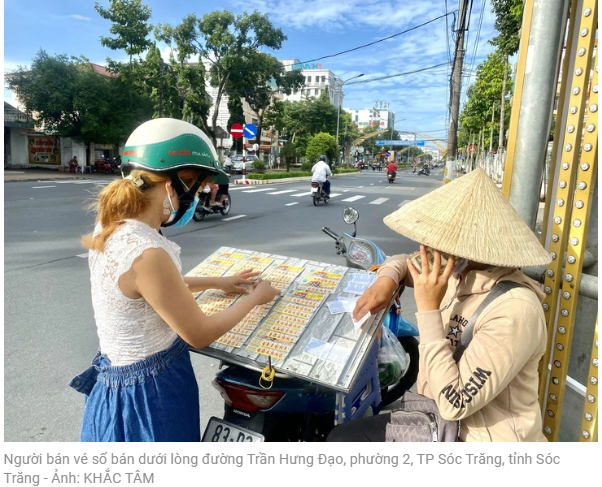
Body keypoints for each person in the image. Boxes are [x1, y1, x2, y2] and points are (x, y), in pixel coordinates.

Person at [69, 118, 279, 442]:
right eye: (198, 185)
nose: (200, 195)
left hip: (118, 383)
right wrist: (256, 298)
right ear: (173, 185)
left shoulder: (113, 225)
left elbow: (153, 291)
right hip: (149, 396)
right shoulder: (146, 251)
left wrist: (216, 282)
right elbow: (199, 334)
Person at [328, 168, 552, 442]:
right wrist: (386, 279)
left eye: (438, 238)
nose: (426, 246)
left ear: (467, 247)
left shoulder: (515, 310)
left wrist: (428, 308)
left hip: (475, 438)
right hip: (434, 418)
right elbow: (402, 261)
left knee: (344, 441)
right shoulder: (458, 273)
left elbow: (455, 402)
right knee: (341, 436)